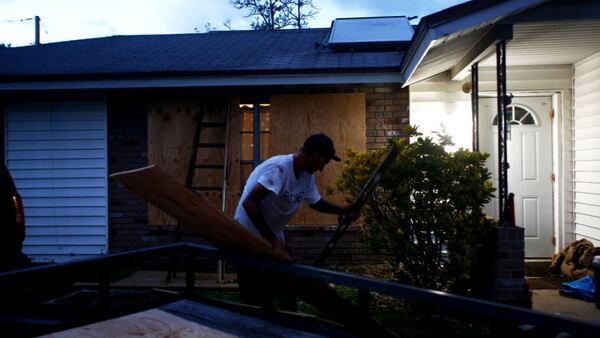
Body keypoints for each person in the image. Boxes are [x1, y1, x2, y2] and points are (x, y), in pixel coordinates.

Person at [234, 133, 359, 309]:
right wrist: (273, 241)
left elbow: (315, 202)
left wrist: (340, 210)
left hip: (273, 233)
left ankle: (287, 324)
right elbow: (250, 203)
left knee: (288, 285)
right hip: (248, 234)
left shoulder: (307, 176)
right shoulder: (278, 169)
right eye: (323, 163)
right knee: (255, 295)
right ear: (315, 156)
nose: (322, 169)